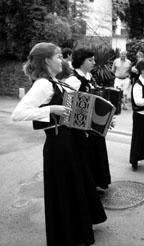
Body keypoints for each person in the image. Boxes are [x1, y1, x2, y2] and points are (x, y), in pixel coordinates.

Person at [11, 42, 106, 245]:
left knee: (75, 186)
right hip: (60, 146)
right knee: (66, 189)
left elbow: (73, 112)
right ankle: (70, 235)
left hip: (72, 142)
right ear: (47, 61)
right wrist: (51, 109)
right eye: (58, 56)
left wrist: (98, 123)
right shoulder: (43, 84)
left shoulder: (57, 81)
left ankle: (78, 230)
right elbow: (18, 113)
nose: (62, 59)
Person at [65, 48, 112, 191]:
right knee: (86, 157)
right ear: (80, 61)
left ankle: (96, 184)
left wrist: (105, 118)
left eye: (93, 59)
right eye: (90, 60)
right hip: (82, 128)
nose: (94, 62)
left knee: (96, 154)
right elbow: (68, 104)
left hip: (94, 127)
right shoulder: (73, 80)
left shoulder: (90, 76)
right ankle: (88, 187)